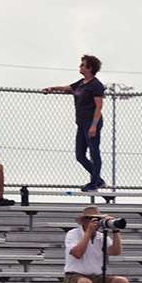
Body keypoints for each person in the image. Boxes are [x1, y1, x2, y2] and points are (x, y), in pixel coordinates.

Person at [42, 54, 106, 191]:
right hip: (81, 123)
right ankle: (98, 179)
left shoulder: (96, 85)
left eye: (83, 65)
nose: (80, 67)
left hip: (91, 123)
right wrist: (52, 88)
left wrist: (94, 126)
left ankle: (94, 183)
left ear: (90, 68)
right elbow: (68, 88)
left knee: (94, 153)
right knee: (80, 155)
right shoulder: (81, 83)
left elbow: (99, 106)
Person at [59, 205, 128, 283]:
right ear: (84, 220)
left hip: (96, 276)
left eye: (97, 219)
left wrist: (115, 231)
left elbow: (116, 251)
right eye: (92, 219)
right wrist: (88, 233)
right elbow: (78, 253)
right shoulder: (73, 234)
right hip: (74, 276)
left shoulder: (101, 236)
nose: (95, 222)